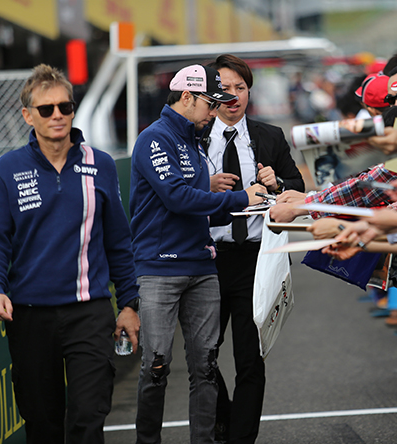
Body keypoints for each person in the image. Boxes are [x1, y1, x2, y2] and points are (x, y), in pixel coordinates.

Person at [0, 64, 141, 444]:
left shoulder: (98, 164)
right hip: (30, 317)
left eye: (65, 107)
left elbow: (119, 239)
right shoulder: (6, 169)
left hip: (90, 312)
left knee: (89, 417)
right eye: (47, 109)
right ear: (27, 115)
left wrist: (130, 304)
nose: (57, 116)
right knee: (43, 423)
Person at [130, 63, 266, 444]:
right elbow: (176, 197)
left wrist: (252, 200)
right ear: (186, 97)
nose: (214, 112)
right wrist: (240, 198)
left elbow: (204, 202)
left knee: (205, 367)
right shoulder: (154, 139)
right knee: (156, 366)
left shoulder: (191, 138)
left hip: (202, 267)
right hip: (159, 268)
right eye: (210, 103)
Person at [200, 54, 304, 444]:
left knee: (250, 359)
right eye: (223, 89)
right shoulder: (192, 139)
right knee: (204, 356)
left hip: (255, 259)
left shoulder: (268, 137)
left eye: (240, 88)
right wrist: (206, 185)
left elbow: (297, 188)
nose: (232, 97)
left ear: (249, 92)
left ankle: (241, 437)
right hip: (205, 260)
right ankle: (224, 419)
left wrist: (276, 182)